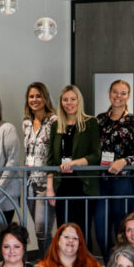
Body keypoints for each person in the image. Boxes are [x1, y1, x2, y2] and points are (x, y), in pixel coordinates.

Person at [96, 79, 134, 256]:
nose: (118, 96)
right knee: (101, 230)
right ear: (109, 94)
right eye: (115, 92)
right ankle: (111, 265)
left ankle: (124, 266)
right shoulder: (100, 120)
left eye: (123, 93)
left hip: (124, 182)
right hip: (102, 181)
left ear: (128, 96)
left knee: (121, 228)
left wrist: (124, 161)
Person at [45, 85, 101, 235]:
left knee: (81, 232)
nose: (69, 103)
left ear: (79, 101)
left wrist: (74, 163)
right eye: (65, 100)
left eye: (72, 99)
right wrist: (50, 188)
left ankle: (82, 259)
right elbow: (50, 160)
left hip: (83, 185)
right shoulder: (56, 125)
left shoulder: (90, 123)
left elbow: (96, 155)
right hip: (62, 185)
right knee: (63, 232)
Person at [23, 82, 58, 250]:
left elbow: (54, 155)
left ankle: (47, 266)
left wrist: (51, 184)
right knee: (39, 231)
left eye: (38, 96)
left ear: (45, 98)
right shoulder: (26, 123)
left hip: (46, 183)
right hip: (30, 182)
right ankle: (45, 263)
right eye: (31, 96)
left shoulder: (54, 121)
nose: (35, 99)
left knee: (42, 229)